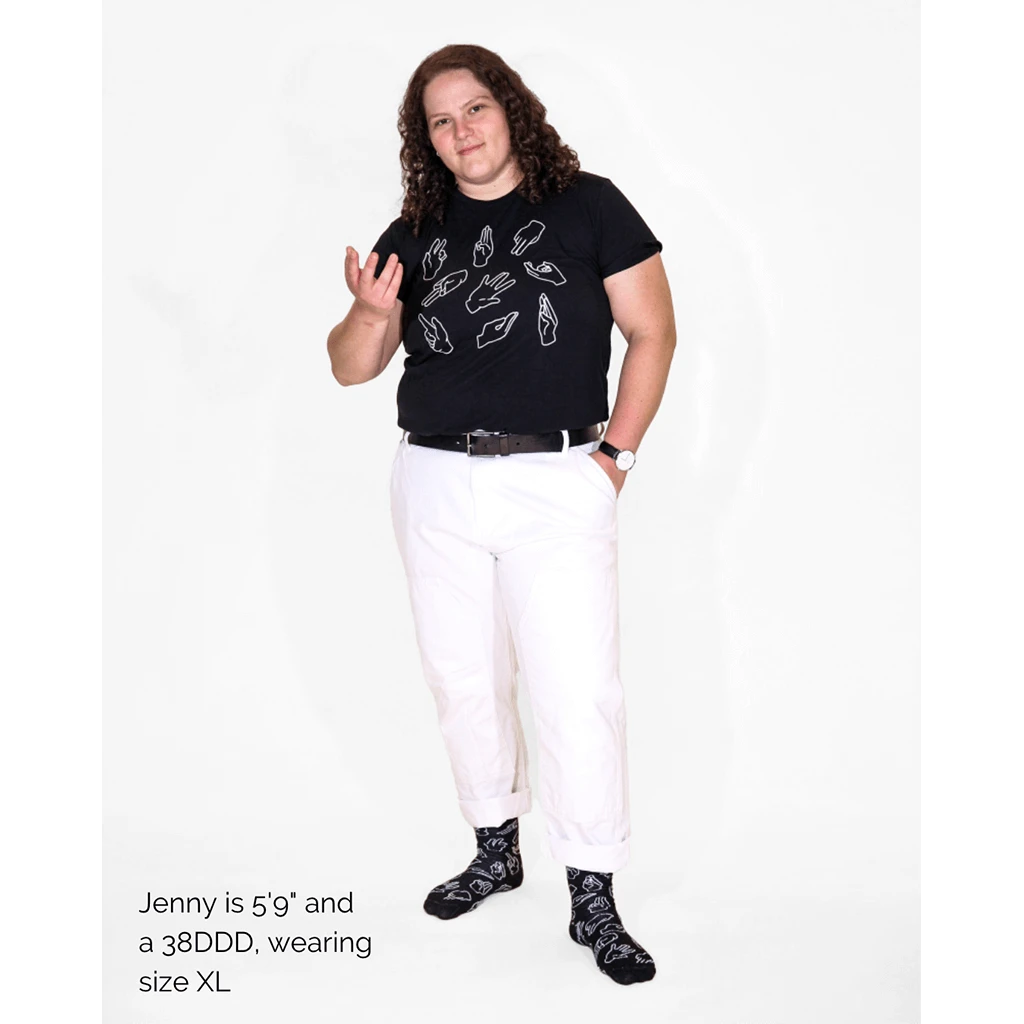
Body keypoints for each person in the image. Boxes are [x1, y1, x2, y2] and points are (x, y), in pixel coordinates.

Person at [326, 43, 676, 985]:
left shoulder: (590, 205)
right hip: (435, 479)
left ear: (510, 109)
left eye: (474, 108)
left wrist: (614, 460)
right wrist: (369, 313)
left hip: (558, 477)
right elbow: (352, 367)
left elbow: (652, 331)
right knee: (463, 676)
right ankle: (496, 847)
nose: (461, 131)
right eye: (440, 121)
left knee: (576, 689)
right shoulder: (415, 230)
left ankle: (592, 892)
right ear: (426, 141)